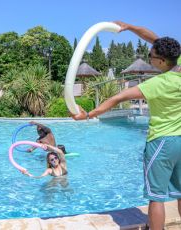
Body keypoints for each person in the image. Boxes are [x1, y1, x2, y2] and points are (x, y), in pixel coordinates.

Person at [71, 21, 181, 230]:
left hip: (162, 143)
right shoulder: (178, 65)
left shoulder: (155, 84)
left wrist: (88, 115)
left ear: (161, 61)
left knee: (156, 196)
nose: (149, 57)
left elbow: (115, 98)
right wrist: (130, 27)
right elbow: (154, 38)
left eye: (151, 56)